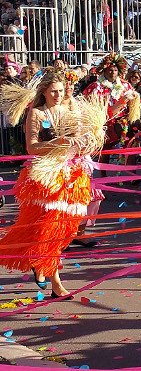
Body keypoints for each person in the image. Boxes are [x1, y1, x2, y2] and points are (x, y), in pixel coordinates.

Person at [0, 68, 106, 298]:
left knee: (66, 228)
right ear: (44, 92)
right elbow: (32, 147)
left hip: (71, 176)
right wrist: (58, 143)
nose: (58, 95)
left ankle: (40, 263)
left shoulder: (70, 110)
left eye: (61, 91)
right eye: (53, 91)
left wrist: (88, 141)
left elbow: (82, 139)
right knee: (48, 228)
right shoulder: (36, 113)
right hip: (44, 177)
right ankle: (55, 282)